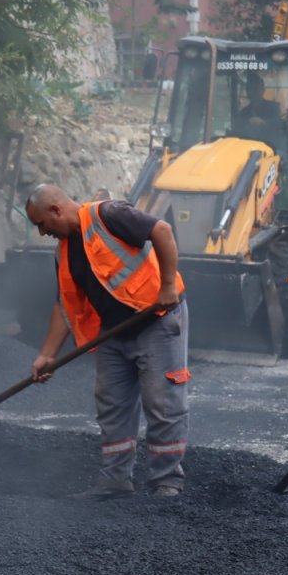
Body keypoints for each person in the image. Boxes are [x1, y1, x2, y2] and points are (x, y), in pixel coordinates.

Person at [24, 184, 190, 500]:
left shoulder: (108, 215)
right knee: (112, 404)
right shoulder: (62, 253)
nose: (42, 232)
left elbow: (162, 230)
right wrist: (47, 355)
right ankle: (115, 481)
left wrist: (168, 285)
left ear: (56, 210)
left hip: (156, 320)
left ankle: (167, 481)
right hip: (113, 331)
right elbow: (65, 305)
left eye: (42, 224)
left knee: (162, 400)